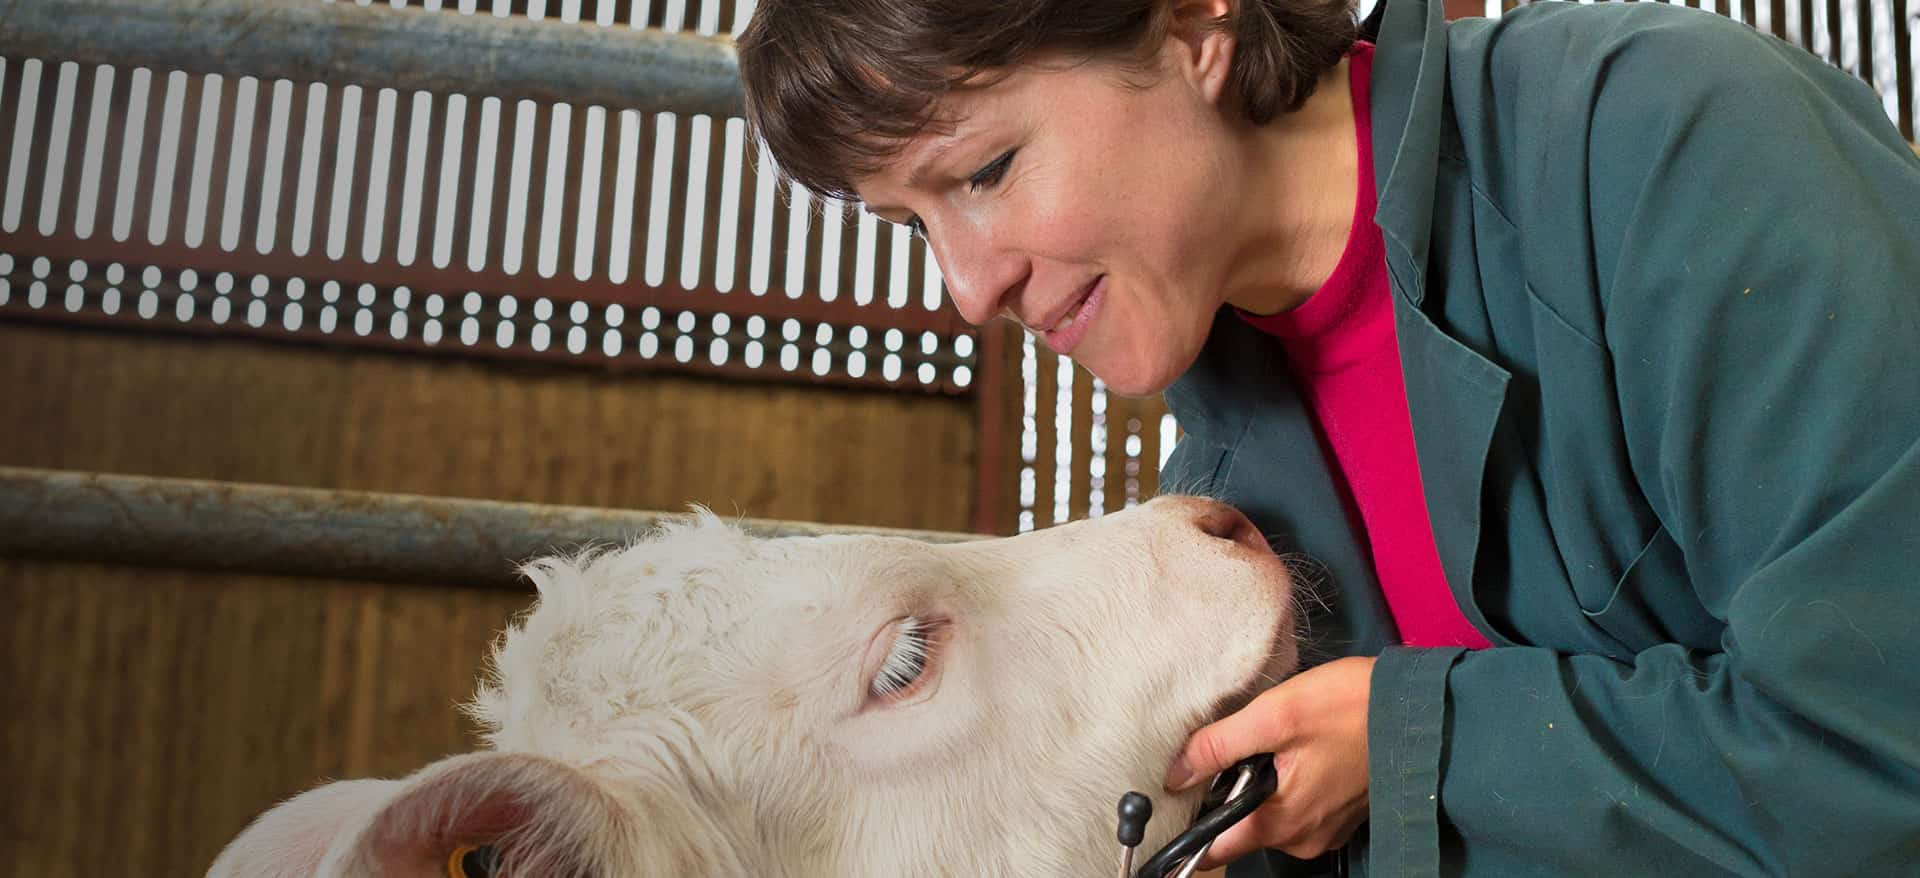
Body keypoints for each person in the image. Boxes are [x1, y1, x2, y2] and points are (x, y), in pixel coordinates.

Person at [735, 0, 1920, 873]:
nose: (967, 290)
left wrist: (1420, 740)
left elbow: (1883, 749)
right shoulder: (1213, 493)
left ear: (1196, 24)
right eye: (912, 225)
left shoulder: (1668, 144)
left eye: (986, 169)